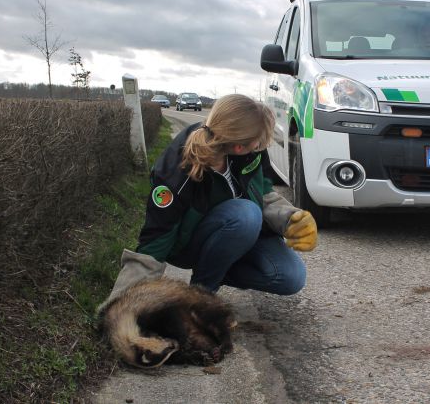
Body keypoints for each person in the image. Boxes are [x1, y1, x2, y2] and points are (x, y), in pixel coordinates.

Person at [99, 94, 317, 310]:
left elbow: (264, 192)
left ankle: (216, 272)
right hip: (193, 244)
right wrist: (118, 309)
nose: (262, 145)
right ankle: (200, 297)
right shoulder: (176, 169)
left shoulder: (251, 152)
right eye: (258, 142)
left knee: (290, 277)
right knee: (246, 214)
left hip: (236, 234)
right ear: (239, 146)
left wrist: (289, 217)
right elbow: (155, 239)